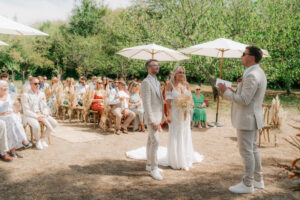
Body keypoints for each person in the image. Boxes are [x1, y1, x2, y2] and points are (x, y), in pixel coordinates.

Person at [217, 46, 267, 194]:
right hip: (253, 117)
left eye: (243, 54)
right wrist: (233, 90)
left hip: (247, 119)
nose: (241, 56)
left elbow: (244, 100)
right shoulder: (258, 72)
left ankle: (248, 183)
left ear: (251, 57)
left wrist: (225, 92)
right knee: (253, 150)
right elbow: (248, 95)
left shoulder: (252, 75)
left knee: (246, 151)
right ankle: (258, 180)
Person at [165, 66, 204, 171]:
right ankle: (176, 160)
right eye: (179, 72)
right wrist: (169, 115)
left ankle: (185, 159)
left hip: (186, 115)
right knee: (176, 134)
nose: (181, 74)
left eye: (183, 72)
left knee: (185, 134)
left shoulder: (186, 85)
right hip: (175, 114)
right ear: (175, 74)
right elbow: (168, 102)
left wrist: (187, 108)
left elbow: (190, 99)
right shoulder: (170, 85)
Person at [140, 59, 165, 180]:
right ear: (148, 68)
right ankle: (154, 169)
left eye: (158, 65)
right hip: (152, 118)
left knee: (150, 141)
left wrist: (161, 117)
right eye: (155, 65)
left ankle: (149, 164)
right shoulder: (146, 82)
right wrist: (153, 120)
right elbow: (146, 104)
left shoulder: (156, 81)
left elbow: (159, 101)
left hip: (158, 116)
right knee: (156, 142)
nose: (158, 67)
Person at [22, 77, 58, 150]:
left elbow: (45, 106)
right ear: (30, 84)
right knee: (36, 126)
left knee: (54, 123)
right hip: (30, 115)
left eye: (39, 83)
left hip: (41, 114)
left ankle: (43, 138)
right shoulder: (25, 95)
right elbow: (26, 111)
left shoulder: (42, 94)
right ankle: (38, 141)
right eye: (35, 83)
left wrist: (44, 114)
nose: (37, 85)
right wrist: (37, 116)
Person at [0, 80, 31, 158]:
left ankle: (13, 149)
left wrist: (16, 105)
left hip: (9, 117)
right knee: (12, 119)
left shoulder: (9, 96)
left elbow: (16, 111)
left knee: (13, 119)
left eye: (6, 86)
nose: (6, 88)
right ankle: (23, 140)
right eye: (4, 86)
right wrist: (3, 113)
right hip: (1, 117)